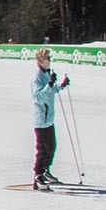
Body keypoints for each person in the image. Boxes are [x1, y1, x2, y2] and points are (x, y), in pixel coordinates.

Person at [31, 48, 70, 189]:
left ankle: (46, 171)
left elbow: (50, 90)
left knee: (52, 147)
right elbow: (38, 97)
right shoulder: (37, 78)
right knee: (42, 149)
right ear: (41, 60)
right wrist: (49, 85)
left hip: (48, 119)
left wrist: (61, 85)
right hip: (40, 119)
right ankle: (38, 175)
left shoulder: (46, 74)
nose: (50, 61)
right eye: (48, 58)